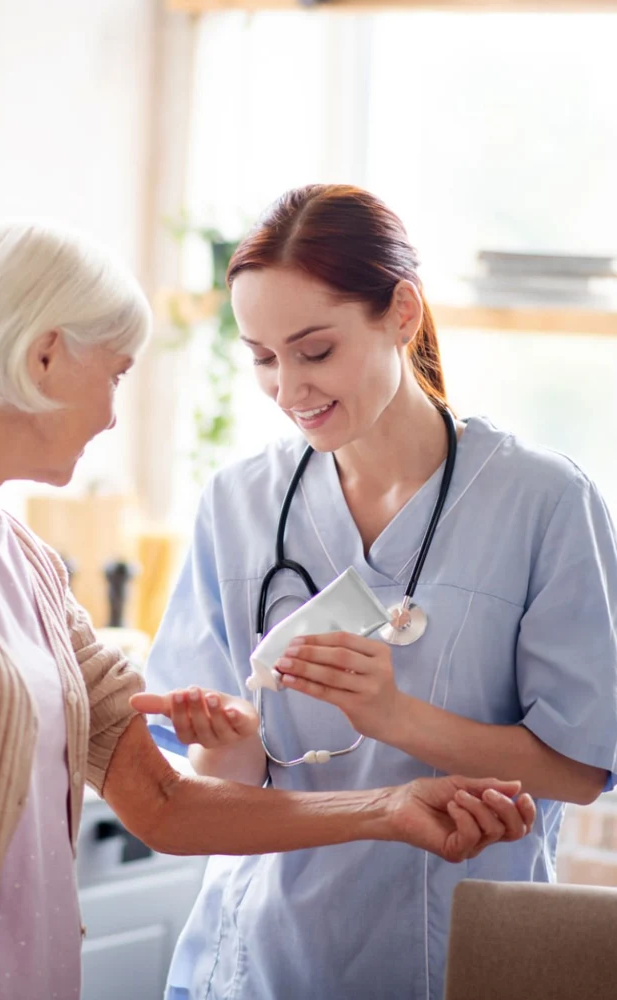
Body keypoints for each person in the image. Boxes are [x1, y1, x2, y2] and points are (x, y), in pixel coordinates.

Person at [0, 220, 533, 1000]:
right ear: (45, 352)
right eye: (116, 373)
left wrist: (389, 807)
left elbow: (163, 803)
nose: (114, 416)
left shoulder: (23, 561)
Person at [134, 184, 617, 1000]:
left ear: (401, 312)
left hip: (453, 956)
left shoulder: (543, 502)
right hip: (259, 960)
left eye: (314, 351)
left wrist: (396, 718)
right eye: (260, 357)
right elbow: (222, 785)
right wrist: (227, 730)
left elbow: (580, 769)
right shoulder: (239, 502)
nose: (287, 390)